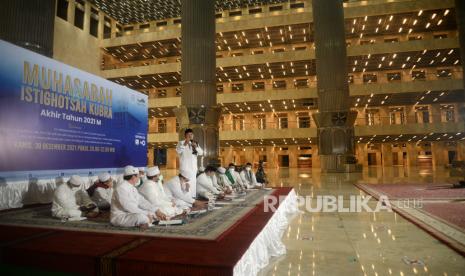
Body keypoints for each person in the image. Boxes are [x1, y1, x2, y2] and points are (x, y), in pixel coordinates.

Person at [176, 129, 203, 199]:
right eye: (189, 135)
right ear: (185, 135)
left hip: (193, 168)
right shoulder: (181, 143)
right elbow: (178, 151)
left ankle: (193, 198)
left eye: (191, 134)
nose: (190, 136)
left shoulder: (195, 143)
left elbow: (201, 153)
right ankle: (185, 198)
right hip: (185, 168)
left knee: (193, 183)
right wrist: (185, 143)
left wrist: (196, 147)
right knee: (185, 184)